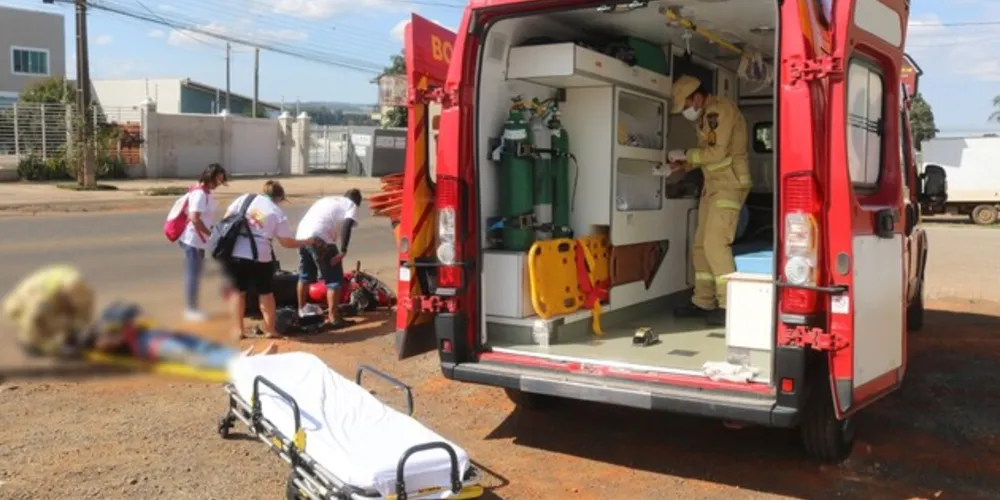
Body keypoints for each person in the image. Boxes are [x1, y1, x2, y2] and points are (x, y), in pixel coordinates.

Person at [667, 75, 752, 326]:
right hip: (713, 186)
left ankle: (728, 305)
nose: (686, 111)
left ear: (697, 96)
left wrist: (686, 154)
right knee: (701, 245)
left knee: (716, 244)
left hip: (729, 185)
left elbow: (717, 152)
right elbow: (707, 155)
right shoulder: (706, 115)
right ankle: (703, 301)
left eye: (685, 106)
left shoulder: (720, 111)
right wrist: (684, 165)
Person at [220, 181, 316, 339]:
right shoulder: (276, 211)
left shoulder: (244, 199)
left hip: (236, 253)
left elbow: (226, 220)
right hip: (260, 256)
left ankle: (238, 330)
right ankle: (270, 330)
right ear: (279, 197)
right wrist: (308, 241)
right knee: (265, 293)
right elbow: (286, 242)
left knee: (238, 292)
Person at [294, 189, 363, 328]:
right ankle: (333, 317)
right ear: (357, 202)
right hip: (321, 240)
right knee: (334, 281)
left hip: (302, 236)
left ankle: (301, 310)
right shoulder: (351, 205)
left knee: (305, 276)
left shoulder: (327, 200)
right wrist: (343, 250)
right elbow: (347, 225)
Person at [178, 163, 228, 322]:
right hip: (192, 239)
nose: (219, 184)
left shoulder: (205, 193)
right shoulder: (200, 194)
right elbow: (194, 219)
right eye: (217, 180)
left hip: (198, 239)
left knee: (196, 273)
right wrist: (211, 233)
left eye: (221, 180)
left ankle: (193, 307)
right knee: (193, 273)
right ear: (209, 177)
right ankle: (191, 309)